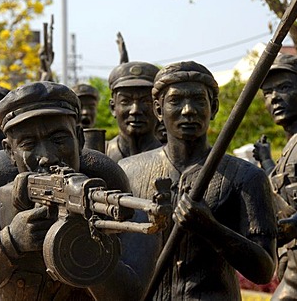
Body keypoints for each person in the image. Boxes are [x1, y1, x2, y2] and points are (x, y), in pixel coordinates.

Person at [0, 81, 141, 301]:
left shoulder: (108, 197)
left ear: (79, 139)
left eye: (59, 139)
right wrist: (9, 243)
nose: (47, 156)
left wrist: (88, 242)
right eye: (29, 143)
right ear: (9, 151)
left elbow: (133, 294)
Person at [118, 61, 277, 300]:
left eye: (198, 100)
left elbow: (264, 270)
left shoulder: (246, 177)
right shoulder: (129, 172)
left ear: (213, 108)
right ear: (158, 110)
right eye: (176, 101)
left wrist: (212, 229)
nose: (188, 110)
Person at [254, 54, 297, 300]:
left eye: (284, 88)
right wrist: (266, 162)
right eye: (267, 93)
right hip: (295, 260)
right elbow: (286, 184)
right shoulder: (291, 146)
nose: (274, 98)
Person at [106, 61, 162, 162]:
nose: (135, 110)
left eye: (145, 101)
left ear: (158, 108)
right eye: (125, 101)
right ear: (113, 108)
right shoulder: (100, 154)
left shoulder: (170, 159)